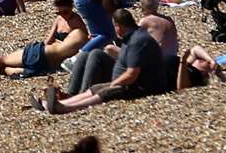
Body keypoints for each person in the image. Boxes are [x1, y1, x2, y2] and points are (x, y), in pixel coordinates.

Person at [35, 8, 169, 114]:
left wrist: (114, 83)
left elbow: (132, 74)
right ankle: (66, 100)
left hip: (140, 86)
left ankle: (65, 108)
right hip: (129, 80)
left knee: (105, 91)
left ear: (119, 26)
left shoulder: (137, 41)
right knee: (92, 62)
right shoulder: (133, 36)